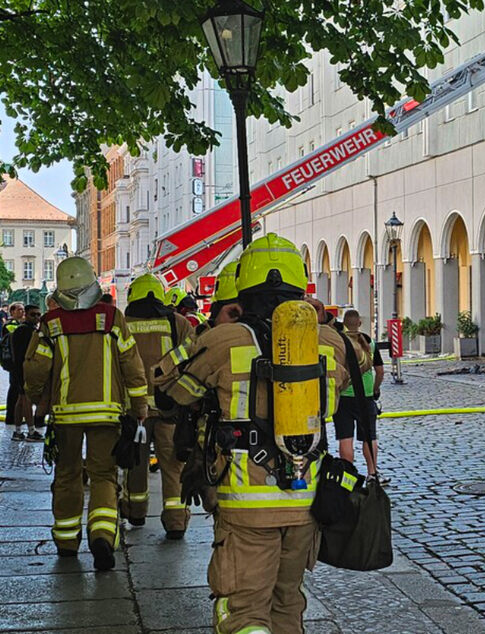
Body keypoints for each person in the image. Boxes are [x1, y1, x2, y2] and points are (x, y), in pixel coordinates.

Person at [154, 233, 367, 633]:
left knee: (244, 612)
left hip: (245, 504)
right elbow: (363, 358)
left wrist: (210, 328)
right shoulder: (329, 342)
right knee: (288, 604)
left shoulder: (224, 341)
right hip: (307, 501)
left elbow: (167, 383)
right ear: (299, 288)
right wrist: (322, 323)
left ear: (244, 291)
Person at [24, 256, 148, 570]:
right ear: (92, 282)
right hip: (107, 413)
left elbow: (35, 368)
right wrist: (139, 408)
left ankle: (67, 542)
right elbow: (132, 366)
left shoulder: (50, 323)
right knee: (104, 475)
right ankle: (102, 535)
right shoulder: (112, 318)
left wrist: (38, 401)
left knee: (67, 476)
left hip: (65, 415)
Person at [119, 273, 195, 538]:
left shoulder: (125, 324)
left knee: (136, 463)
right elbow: (193, 350)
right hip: (170, 406)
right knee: (173, 466)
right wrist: (169, 364)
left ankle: (135, 512)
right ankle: (176, 521)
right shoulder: (177, 322)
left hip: (135, 408)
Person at [334, 309, 389, 484]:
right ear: (359, 323)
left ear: (344, 324)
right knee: (369, 436)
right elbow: (380, 371)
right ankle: (372, 473)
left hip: (343, 397)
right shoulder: (370, 342)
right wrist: (375, 389)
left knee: (345, 438)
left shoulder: (339, 342)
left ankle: (347, 476)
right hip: (365, 396)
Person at [10, 305, 44, 442]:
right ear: (26, 315)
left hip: (17, 368)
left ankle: (17, 431)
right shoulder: (27, 331)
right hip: (24, 368)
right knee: (26, 400)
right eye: (33, 314)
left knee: (20, 399)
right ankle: (31, 431)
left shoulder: (21, 330)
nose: (36, 317)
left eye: (38, 314)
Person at [2, 302, 24, 427]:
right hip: (14, 361)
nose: (22, 312)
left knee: (18, 388)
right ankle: (11, 417)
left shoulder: (20, 324)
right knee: (14, 388)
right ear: (12, 312)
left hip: (18, 360)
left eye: (23, 310)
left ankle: (18, 414)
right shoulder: (10, 325)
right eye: (19, 310)